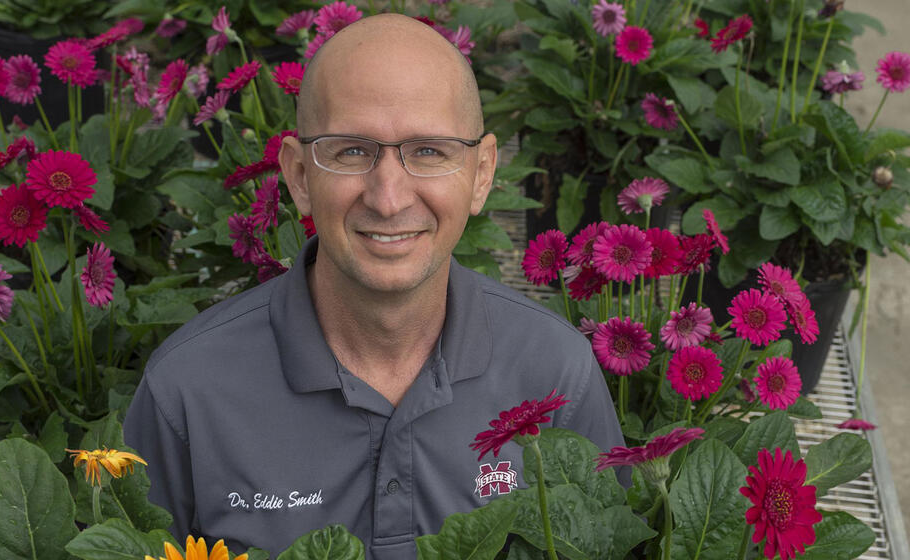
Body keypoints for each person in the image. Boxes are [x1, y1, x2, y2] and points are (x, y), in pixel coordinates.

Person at [124, 13, 626, 559]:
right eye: (351, 151)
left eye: (430, 151)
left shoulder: (556, 374)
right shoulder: (187, 392)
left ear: (481, 174)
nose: (388, 198)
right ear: (298, 177)